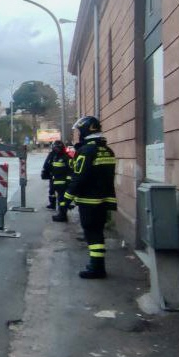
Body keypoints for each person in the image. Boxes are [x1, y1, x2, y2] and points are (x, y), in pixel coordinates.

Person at [64, 116, 117, 279]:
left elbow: (79, 177)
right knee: (98, 232)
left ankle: (96, 268)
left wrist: (66, 199)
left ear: (86, 130)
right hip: (104, 200)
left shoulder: (87, 151)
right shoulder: (107, 150)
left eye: (79, 131)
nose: (78, 134)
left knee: (91, 232)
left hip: (89, 200)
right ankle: (97, 264)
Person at [41, 140, 71, 220]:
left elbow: (70, 170)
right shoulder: (54, 156)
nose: (56, 149)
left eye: (58, 148)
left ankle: (62, 215)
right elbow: (48, 165)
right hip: (55, 179)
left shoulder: (65, 157)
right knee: (54, 193)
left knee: (61, 199)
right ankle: (57, 209)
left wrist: (68, 181)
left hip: (62, 182)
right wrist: (45, 172)